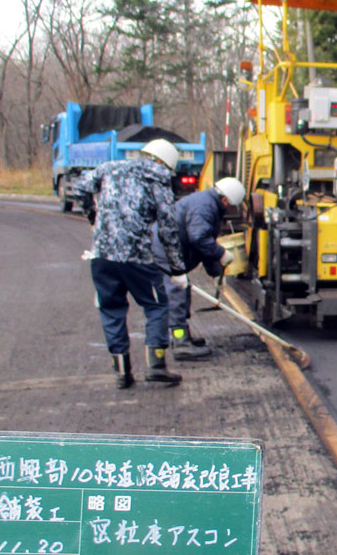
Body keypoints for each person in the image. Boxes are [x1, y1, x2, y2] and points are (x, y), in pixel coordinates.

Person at [78, 138, 186, 388]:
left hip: (102, 256)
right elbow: (168, 229)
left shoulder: (109, 167)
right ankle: (156, 366)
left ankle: (122, 372)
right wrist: (177, 269)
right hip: (137, 258)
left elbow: (82, 187)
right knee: (156, 305)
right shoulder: (159, 180)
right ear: (166, 163)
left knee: (111, 309)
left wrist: (92, 216)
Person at [155, 176, 247, 360]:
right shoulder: (205, 206)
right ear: (225, 200)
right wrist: (221, 253)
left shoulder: (207, 202)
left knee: (183, 289)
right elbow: (199, 238)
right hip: (166, 252)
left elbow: (203, 243)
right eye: (231, 205)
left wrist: (214, 270)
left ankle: (183, 336)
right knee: (177, 293)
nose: (230, 210)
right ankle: (180, 343)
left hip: (172, 250)